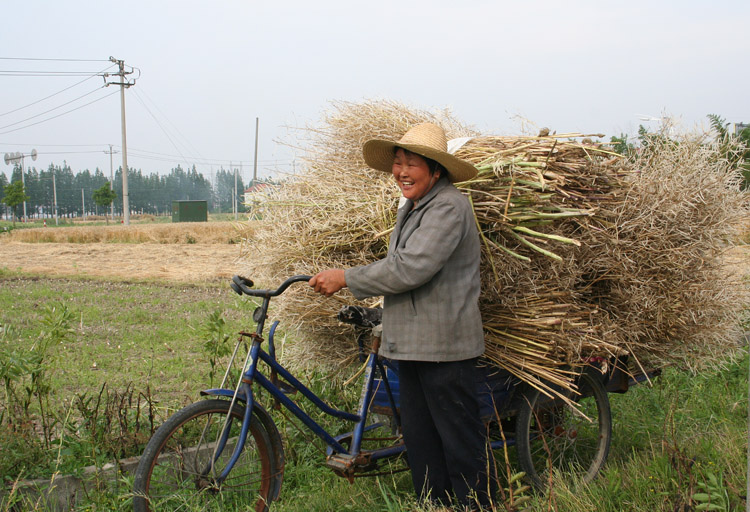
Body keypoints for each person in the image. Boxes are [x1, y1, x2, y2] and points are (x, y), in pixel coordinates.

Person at [309, 123, 495, 510]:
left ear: (436, 169)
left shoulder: (448, 206)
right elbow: (401, 267)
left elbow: (411, 267)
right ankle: (436, 506)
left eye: (411, 163)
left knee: (460, 446)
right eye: (397, 163)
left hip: (444, 350)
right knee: (422, 445)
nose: (401, 172)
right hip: (412, 347)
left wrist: (347, 278)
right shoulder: (414, 207)